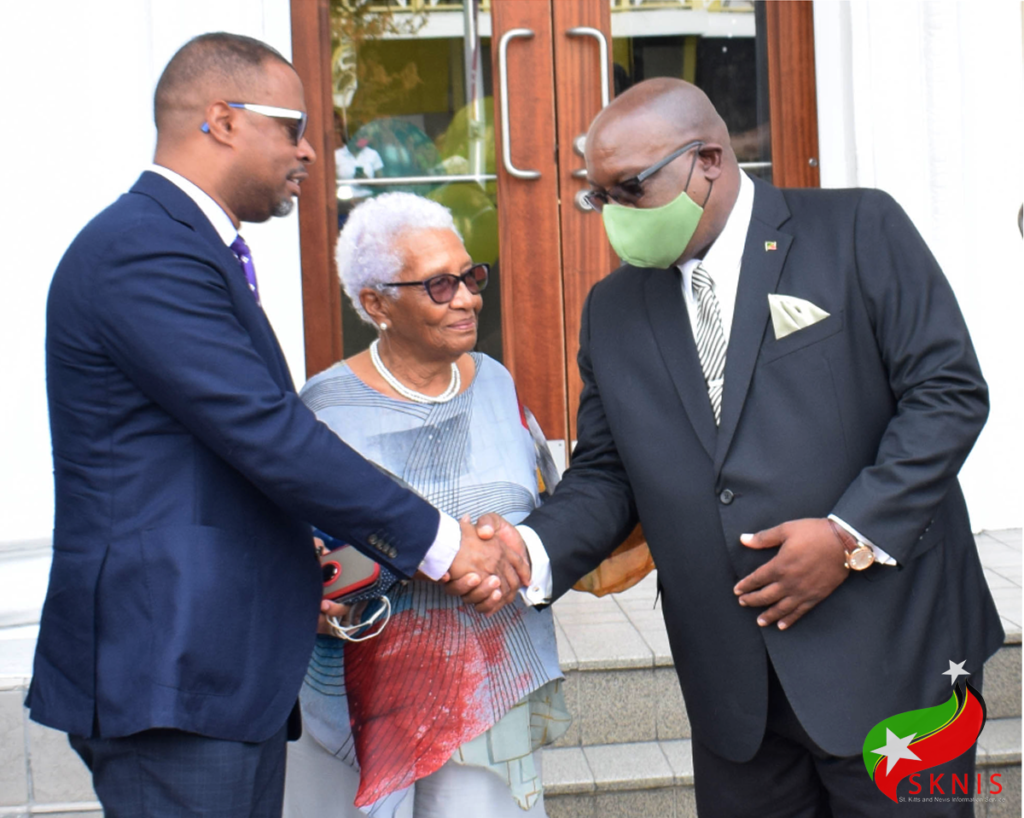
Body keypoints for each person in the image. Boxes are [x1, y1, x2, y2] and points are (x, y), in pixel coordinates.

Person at [457, 78, 1004, 816]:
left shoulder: (857, 228)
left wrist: (849, 536)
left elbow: (947, 394)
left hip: (889, 656)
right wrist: (528, 549)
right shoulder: (614, 309)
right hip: (734, 691)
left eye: (631, 190)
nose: (614, 216)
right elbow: (608, 474)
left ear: (708, 161)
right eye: (599, 196)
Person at [31, 32, 527, 818]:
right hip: (171, 672)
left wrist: (313, 557)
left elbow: (220, 456)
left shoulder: (186, 246)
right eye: (293, 128)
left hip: (214, 672)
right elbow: (267, 434)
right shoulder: (144, 252)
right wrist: (444, 543)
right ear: (224, 120)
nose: (308, 153)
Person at [283, 192, 569, 818]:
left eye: (471, 277)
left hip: (488, 678)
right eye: (440, 285)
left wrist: (510, 553)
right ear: (376, 304)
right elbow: (292, 550)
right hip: (366, 692)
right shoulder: (325, 409)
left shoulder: (495, 381)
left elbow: (539, 501)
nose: (467, 298)